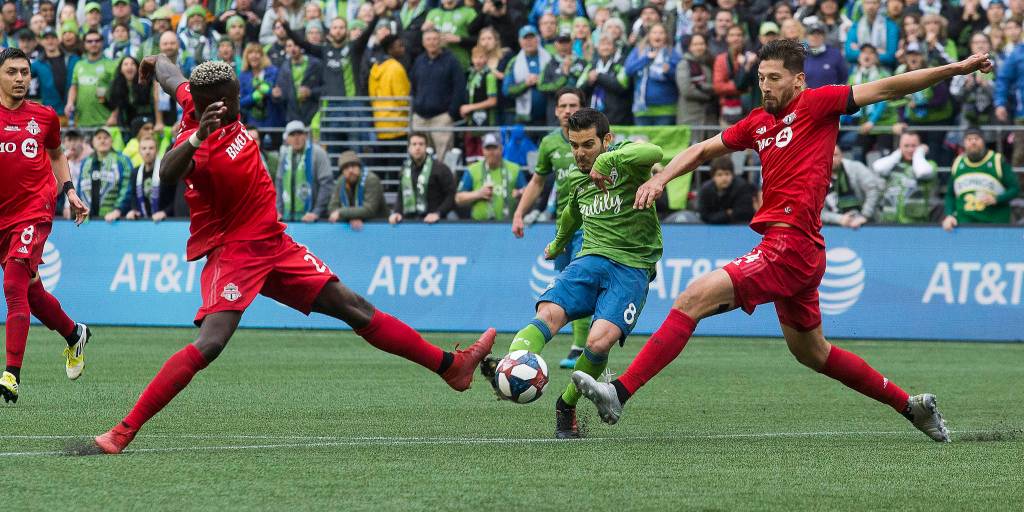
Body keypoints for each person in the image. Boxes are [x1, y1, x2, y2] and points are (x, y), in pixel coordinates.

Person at [572, 38, 994, 443]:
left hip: (790, 245)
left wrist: (955, 69)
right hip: (797, 250)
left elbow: (888, 87)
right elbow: (701, 150)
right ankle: (911, 407)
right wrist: (661, 178)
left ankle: (620, 392)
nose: (766, 86)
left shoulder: (818, 104)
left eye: (774, 78)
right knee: (813, 353)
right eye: (761, 78)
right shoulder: (758, 122)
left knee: (692, 298)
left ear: (798, 80)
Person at [92, 59, 496, 455]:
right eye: (236, 96)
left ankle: (451, 367)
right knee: (211, 342)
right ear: (219, 104)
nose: (241, 100)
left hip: (275, 244)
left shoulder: (193, 98)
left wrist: (151, 62)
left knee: (355, 308)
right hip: (236, 253)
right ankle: (123, 431)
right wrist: (198, 137)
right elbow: (167, 172)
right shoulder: (201, 144)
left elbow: (170, 73)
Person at [482, 108, 663, 439]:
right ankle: (512, 364)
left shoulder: (626, 160)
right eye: (574, 145)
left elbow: (655, 152)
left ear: (607, 140)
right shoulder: (579, 183)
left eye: (588, 145)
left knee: (599, 341)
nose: (580, 153)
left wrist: (608, 160)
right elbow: (571, 215)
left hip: (632, 267)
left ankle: (565, 405)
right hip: (589, 260)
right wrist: (557, 243)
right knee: (547, 312)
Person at [0, 48, 91, 404]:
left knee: (14, 282)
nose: (20, 78)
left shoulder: (44, 116)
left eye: (24, 72)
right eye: (12, 72)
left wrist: (69, 190)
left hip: (33, 210)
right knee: (32, 293)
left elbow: (56, 154)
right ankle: (74, 334)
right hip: (2, 216)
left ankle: (12, 374)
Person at [510, 87, 589, 369]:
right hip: (564, 226)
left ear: (582, 109)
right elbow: (537, 182)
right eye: (563, 106)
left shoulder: (593, 138)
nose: (568, 110)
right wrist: (519, 213)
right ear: (555, 111)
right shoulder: (549, 143)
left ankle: (580, 347)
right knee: (568, 286)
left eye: (573, 105)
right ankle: (581, 344)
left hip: (591, 222)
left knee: (580, 282)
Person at [942, 128, 1020, 231]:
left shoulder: (997, 160)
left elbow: (1015, 189)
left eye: (976, 138)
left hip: (994, 224)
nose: (973, 142)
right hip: (964, 225)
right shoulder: (958, 163)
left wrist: (997, 199)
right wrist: (949, 215)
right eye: (969, 139)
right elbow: (950, 195)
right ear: (964, 143)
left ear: (983, 141)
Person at [410, 28, 464, 162]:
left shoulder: (452, 61)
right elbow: (413, 86)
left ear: (440, 41)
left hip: (442, 118)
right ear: (423, 42)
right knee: (418, 157)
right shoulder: (419, 61)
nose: (432, 42)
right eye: (428, 39)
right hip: (420, 118)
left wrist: (451, 113)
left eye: (435, 39)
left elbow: (459, 88)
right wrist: (415, 108)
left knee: (444, 158)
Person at [455, 133, 527, 221]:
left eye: (494, 148)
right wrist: (478, 194)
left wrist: (519, 193)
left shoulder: (514, 169)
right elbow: (458, 199)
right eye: (488, 148)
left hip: (508, 223)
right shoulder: (472, 170)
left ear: (501, 149)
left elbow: (527, 192)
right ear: (482, 150)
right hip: (479, 224)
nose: (491, 152)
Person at [872, 131, 938, 224]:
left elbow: (922, 172)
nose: (910, 149)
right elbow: (877, 167)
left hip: (916, 224)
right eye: (906, 146)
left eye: (913, 146)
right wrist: (898, 153)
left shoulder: (929, 165)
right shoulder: (892, 165)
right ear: (900, 147)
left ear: (919, 146)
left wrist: (919, 153)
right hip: (889, 222)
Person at [389, 133, 455, 225]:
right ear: (409, 148)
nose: (417, 147)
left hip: (434, 223)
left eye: (421, 144)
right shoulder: (404, 169)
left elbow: (451, 196)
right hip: (409, 221)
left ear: (426, 147)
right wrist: (396, 212)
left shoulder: (441, 169)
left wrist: (438, 213)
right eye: (414, 144)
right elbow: (401, 194)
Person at [276, 120, 334, 223]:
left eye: (299, 133)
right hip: (288, 217)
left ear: (306, 136)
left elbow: (327, 184)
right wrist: (279, 211)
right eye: (292, 135)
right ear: (287, 139)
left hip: (313, 219)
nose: (296, 138)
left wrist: (316, 212)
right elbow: (279, 184)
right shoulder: (284, 155)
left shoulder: (318, 153)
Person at [77, 127, 135, 222]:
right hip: (87, 218)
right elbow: (79, 187)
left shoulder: (122, 160)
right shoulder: (86, 161)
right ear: (93, 142)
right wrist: (80, 208)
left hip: (114, 218)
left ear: (111, 141)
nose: (102, 141)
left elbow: (127, 187)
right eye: (99, 138)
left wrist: (118, 210)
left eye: (106, 137)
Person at [823, 145, 884, 228]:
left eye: (835, 155)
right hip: (833, 226)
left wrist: (865, 215)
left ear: (841, 156)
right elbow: (817, 211)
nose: (832, 159)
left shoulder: (856, 168)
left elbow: (873, 189)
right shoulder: (816, 178)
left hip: (866, 223)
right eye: (828, 155)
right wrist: (839, 219)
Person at [65, 29, 116, 128]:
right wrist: (70, 103)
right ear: (84, 44)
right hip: (82, 121)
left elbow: (118, 92)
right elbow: (74, 86)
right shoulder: (79, 65)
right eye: (89, 41)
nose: (93, 44)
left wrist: (114, 116)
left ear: (102, 43)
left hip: (105, 121)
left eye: (97, 41)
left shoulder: (111, 65)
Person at [327, 151, 387, 230]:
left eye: (353, 166)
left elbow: (370, 210)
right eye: (346, 168)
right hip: (353, 228)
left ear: (359, 167)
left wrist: (342, 213)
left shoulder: (371, 180)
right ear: (342, 172)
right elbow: (332, 207)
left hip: (379, 227)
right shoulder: (341, 181)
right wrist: (351, 217)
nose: (350, 170)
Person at [272, 39, 324, 125]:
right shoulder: (283, 68)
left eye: (295, 45)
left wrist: (311, 92)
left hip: (314, 116)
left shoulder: (316, 65)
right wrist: (276, 95)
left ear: (302, 46)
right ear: (285, 49)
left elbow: (327, 88)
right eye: (289, 46)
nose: (293, 49)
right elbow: (282, 95)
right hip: (293, 118)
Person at [368, 34, 410, 143]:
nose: (403, 49)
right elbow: (402, 99)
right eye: (400, 46)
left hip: (380, 123)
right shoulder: (396, 68)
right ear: (390, 49)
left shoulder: (375, 67)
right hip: (397, 125)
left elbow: (372, 95)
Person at [697, 156, 754, 224]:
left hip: (738, 225)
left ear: (732, 175)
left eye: (727, 174)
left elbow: (745, 213)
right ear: (713, 177)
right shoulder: (705, 189)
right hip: (711, 226)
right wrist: (726, 213)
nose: (724, 178)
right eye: (719, 175)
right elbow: (704, 215)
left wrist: (718, 215)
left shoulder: (742, 187)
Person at [125, 137, 162, 220]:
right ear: (139, 151)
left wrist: (165, 212)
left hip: (165, 220)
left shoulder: (165, 171)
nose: (147, 152)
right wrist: (134, 210)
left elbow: (173, 197)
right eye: (144, 148)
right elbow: (133, 195)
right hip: (143, 220)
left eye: (151, 148)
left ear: (157, 151)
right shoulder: (135, 172)